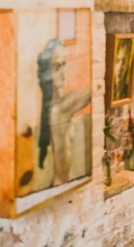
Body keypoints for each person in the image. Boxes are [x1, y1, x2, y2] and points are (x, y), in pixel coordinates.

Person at [37, 39, 92, 186]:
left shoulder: (64, 102)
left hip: (66, 184)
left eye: (64, 64)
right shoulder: (58, 110)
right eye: (57, 67)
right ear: (48, 74)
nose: (63, 72)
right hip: (60, 185)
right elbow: (92, 91)